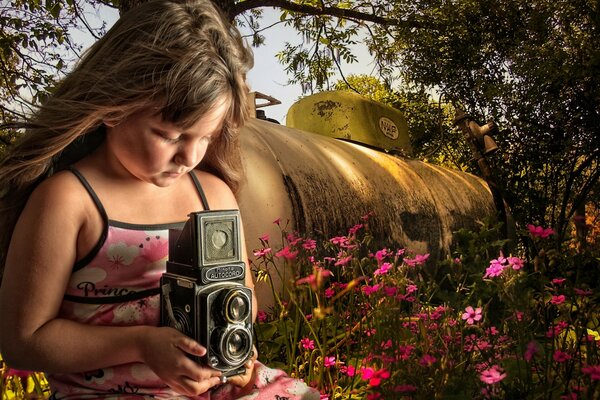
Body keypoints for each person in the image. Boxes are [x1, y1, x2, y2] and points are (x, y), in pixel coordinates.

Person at [0, 1, 320, 399]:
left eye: (207, 137)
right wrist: (142, 344)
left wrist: (230, 335)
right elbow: (24, 340)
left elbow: (245, 297)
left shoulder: (213, 196)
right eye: (171, 135)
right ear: (115, 107)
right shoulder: (68, 201)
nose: (190, 157)